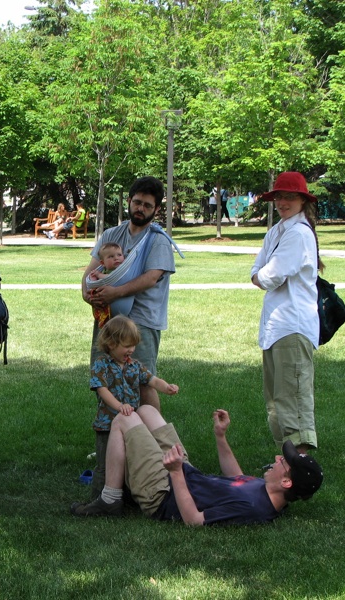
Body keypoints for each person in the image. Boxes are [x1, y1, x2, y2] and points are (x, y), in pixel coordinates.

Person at [70, 406, 323, 523]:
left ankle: (110, 499)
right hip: (182, 472)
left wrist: (177, 472)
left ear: (287, 481)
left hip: (163, 493)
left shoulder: (253, 508)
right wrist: (220, 436)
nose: (279, 458)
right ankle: (126, 479)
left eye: (284, 462)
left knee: (124, 419)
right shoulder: (270, 492)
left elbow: (194, 520)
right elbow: (237, 478)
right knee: (147, 410)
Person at [81, 176, 175, 410]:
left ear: (156, 209)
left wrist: (114, 293)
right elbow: (89, 274)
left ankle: (155, 444)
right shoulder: (112, 235)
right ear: (130, 201)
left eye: (147, 205)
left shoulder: (158, 241)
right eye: (137, 202)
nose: (140, 209)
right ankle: (113, 444)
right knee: (104, 379)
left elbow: (152, 277)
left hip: (142, 321)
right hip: (109, 320)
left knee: (143, 383)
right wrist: (87, 294)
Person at [250, 171, 323, 453]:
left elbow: (268, 276)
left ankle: (300, 464)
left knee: (292, 399)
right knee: (276, 402)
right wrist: (260, 275)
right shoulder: (278, 231)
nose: (282, 202)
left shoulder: (299, 233)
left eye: (289, 196)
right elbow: (257, 271)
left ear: (303, 200)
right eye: (279, 196)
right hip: (276, 327)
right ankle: (285, 462)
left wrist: (260, 276)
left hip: (292, 326)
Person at [88, 316, 179, 495]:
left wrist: (166, 387)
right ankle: (100, 497)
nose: (132, 350)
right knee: (106, 464)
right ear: (112, 343)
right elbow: (102, 389)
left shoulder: (134, 366)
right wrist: (119, 405)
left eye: (133, 345)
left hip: (130, 426)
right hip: (107, 424)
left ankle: (128, 496)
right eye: (127, 346)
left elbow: (152, 380)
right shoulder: (101, 365)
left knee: (130, 461)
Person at [88, 242, 125, 328]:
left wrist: (98, 275)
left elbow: (110, 278)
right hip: (103, 303)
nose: (116, 258)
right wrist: (93, 279)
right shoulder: (104, 270)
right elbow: (94, 283)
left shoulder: (120, 270)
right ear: (102, 263)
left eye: (119, 255)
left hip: (117, 305)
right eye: (111, 257)